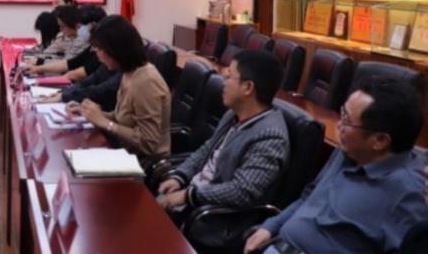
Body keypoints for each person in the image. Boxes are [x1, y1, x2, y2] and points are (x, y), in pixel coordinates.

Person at [244, 77, 428, 254]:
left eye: (347, 121)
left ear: (379, 140)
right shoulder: (350, 149)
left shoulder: (409, 193)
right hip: (277, 244)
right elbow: (309, 196)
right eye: (342, 113)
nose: (339, 125)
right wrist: (271, 226)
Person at [156, 50, 289, 245]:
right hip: (193, 198)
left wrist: (187, 195)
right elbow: (207, 149)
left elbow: (241, 191)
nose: (223, 81)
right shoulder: (234, 113)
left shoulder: (270, 136)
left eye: (229, 76)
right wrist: (180, 176)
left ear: (248, 87)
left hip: (214, 219)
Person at [69, 15, 170, 161]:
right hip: (123, 152)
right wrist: (91, 113)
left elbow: (149, 143)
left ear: (116, 49)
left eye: (99, 49)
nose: (97, 55)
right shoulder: (128, 72)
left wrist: (105, 122)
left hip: (144, 163)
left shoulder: (146, 81)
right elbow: (121, 118)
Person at [26, 5, 107, 76]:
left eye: (80, 27)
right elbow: (70, 63)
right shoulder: (89, 45)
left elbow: (77, 70)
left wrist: (39, 64)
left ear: (93, 25)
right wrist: (38, 68)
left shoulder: (99, 48)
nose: (78, 30)